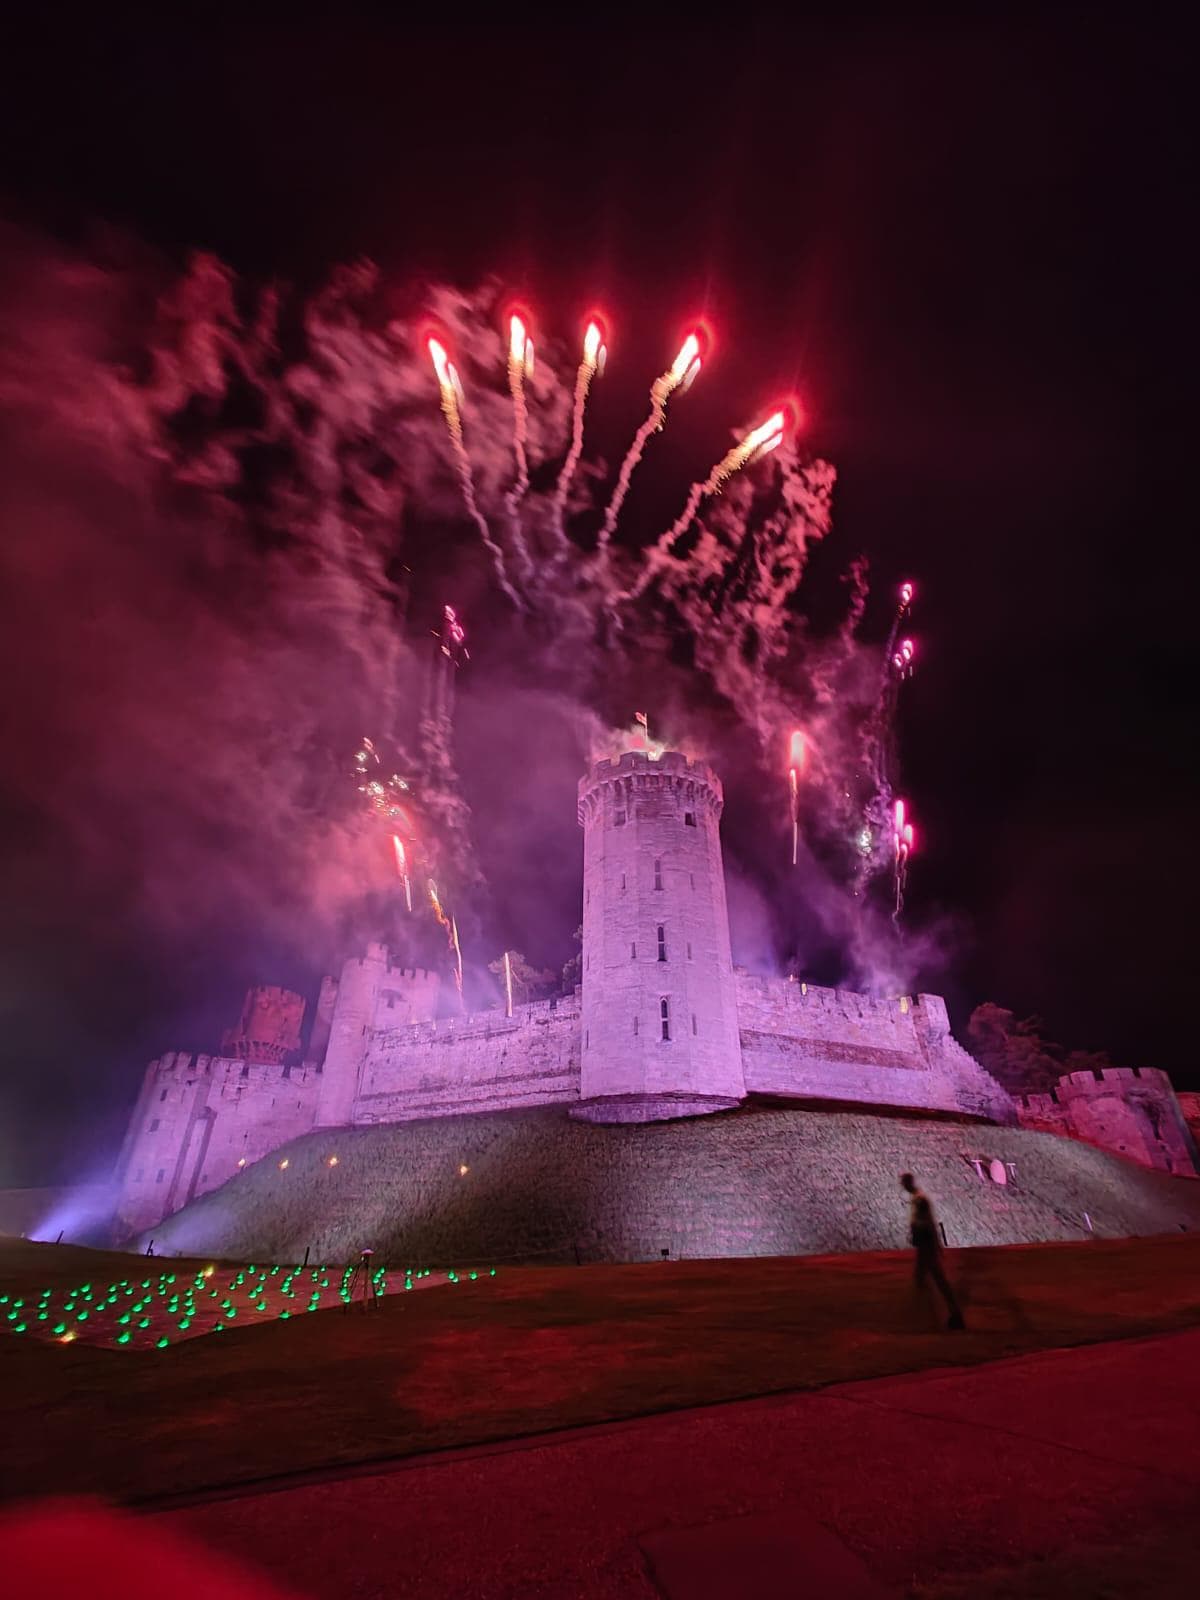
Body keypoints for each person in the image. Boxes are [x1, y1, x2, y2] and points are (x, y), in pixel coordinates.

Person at [899, 1172, 965, 1330]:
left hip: (926, 1247)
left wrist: (934, 1245)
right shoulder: (918, 1198)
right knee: (924, 1279)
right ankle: (928, 1315)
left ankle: (950, 1315)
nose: (902, 1186)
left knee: (936, 1280)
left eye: (903, 1183)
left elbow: (927, 1224)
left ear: (908, 1183)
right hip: (925, 1246)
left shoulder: (920, 1200)